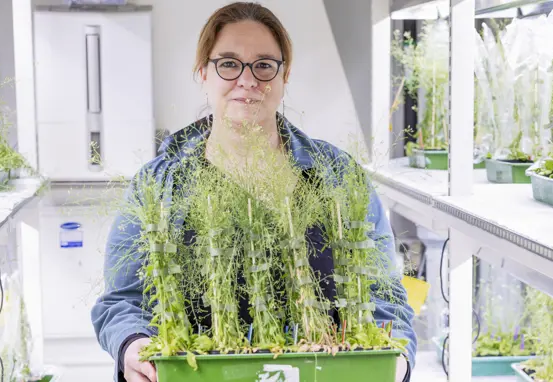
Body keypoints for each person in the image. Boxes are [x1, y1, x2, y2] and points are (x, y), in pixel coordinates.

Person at [91, 3, 417, 382]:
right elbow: (123, 301)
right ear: (203, 73)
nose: (247, 80)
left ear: (285, 75)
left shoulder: (338, 176)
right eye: (228, 64)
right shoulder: (159, 184)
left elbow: (384, 298)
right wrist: (133, 347)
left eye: (264, 65)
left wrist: (397, 360)